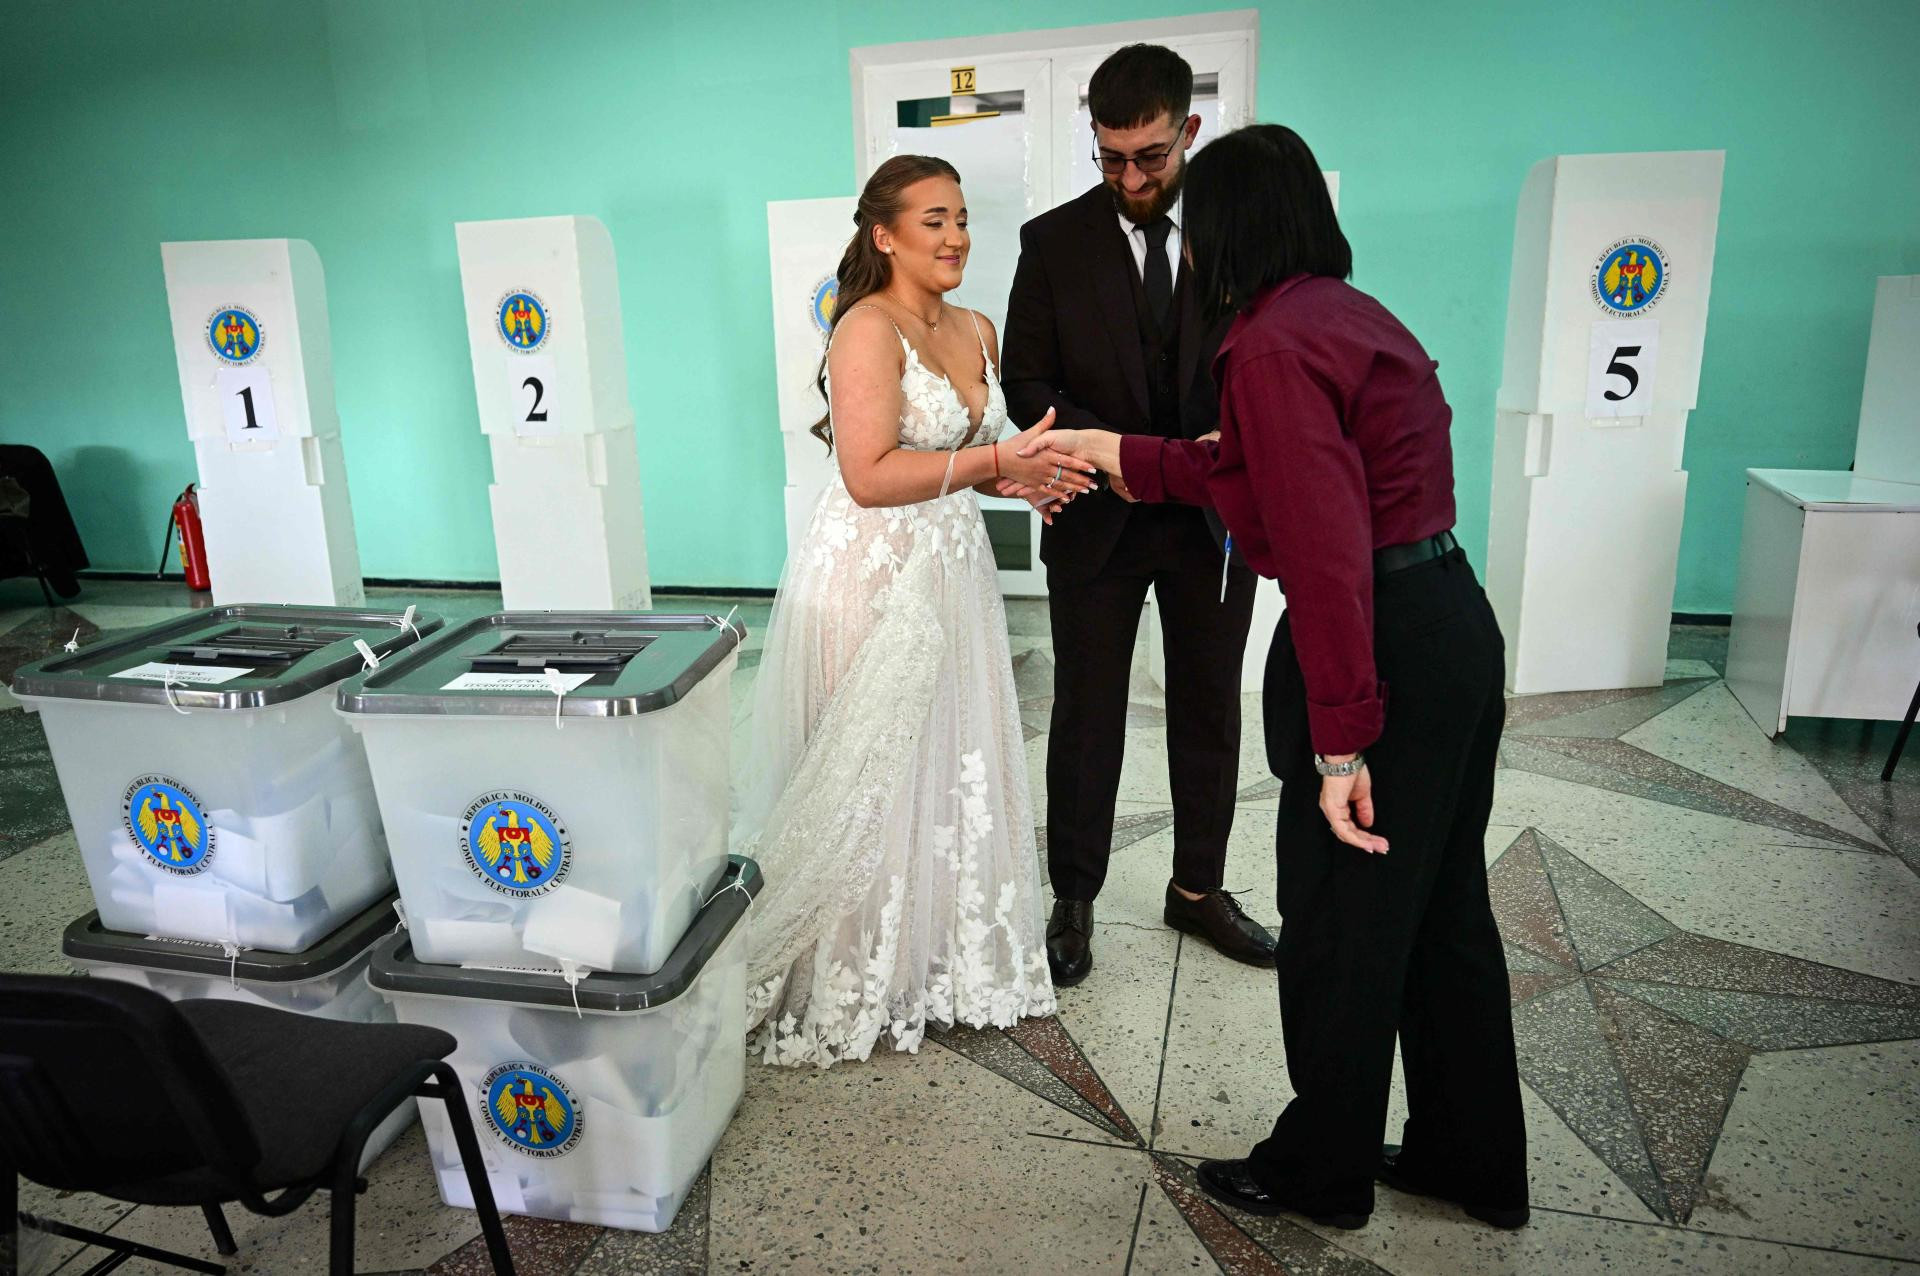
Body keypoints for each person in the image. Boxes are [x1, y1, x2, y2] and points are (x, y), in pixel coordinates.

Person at [1026, 124, 1529, 1229]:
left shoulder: (1269, 345)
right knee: (1443, 912)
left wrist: (1343, 741)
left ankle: (1321, 1171)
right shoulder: (1344, 315)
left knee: (1343, 925)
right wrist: (1125, 453)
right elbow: (1257, 465)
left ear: (1228, 227)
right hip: (1447, 622)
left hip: (1380, 638)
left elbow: (1324, 547)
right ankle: (1470, 1153)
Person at [738, 154, 1094, 1069]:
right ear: (884, 235)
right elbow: (868, 475)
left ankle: (936, 956)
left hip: (952, 567)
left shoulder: (977, 327)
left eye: (962, 218)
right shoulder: (865, 326)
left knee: (947, 758)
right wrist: (998, 464)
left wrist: (1027, 482)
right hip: (872, 572)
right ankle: (855, 965)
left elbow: (966, 459)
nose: (956, 236)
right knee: (874, 770)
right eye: (933, 220)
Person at [1001, 44, 1275, 987]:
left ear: (1189, 130)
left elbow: (1262, 360)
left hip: (1211, 517)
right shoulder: (1051, 242)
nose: (1129, 178)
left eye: (1150, 157)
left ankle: (1198, 888)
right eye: (1110, 157)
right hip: (1097, 515)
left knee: (1210, 707)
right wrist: (1104, 457)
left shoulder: (1236, 236)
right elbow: (1026, 379)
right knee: (1086, 714)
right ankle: (1073, 896)